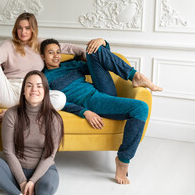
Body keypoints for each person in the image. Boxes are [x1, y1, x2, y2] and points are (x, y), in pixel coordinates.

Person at [40, 38, 162, 184]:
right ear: (42, 56)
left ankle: (135, 76)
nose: (56, 56)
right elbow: (55, 102)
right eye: (51, 53)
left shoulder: (71, 65)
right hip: (91, 101)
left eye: (58, 52)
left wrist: (104, 43)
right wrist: (84, 111)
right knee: (140, 108)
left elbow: (102, 63)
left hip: (102, 90)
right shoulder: (43, 78)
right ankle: (123, 160)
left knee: (94, 51)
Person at [0, 12, 86, 133]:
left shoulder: (40, 44)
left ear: (33, 30)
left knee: (60, 98)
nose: (23, 32)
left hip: (31, 94)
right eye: (19, 28)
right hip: (9, 91)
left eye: (27, 28)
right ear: (15, 29)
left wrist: (85, 53)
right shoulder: (9, 44)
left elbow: (66, 47)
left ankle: (14, 112)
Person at [0, 70, 64, 195]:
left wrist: (33, 181)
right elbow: (9, 151)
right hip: (15, 171)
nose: (34, 89)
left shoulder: (54, 119)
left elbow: (49, 156)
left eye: (39, 86)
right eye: (29, 85)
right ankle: (16, 193)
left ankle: (27, 188)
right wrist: (23, 181)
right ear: (23, 91)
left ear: (45, 91)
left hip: (43, 171)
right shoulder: (11, 114)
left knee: (47, 188)